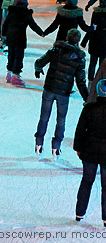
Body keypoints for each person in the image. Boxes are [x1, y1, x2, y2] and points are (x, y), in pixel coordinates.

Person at [34, 28, 89, 159]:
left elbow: (39, 62)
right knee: (61, 120)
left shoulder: (55, 50)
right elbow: (80, 82)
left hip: (49, 89)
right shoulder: (79, 59)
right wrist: (87, 98)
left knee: (44, 117)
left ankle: (39, 144)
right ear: (78, 41)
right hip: (63, 93)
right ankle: (56, 147)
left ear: (67, 37)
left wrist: (38, 69)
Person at [73, 79, 106, 226]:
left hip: (89, 151)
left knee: (87, 181)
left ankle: (79, 213)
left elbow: (80, 129)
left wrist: (78, 148)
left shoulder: (89, 108)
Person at [2, 0, 44, 87]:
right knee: (18, 56)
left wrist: (4, 34)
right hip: (20, 37)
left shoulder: (12, 11)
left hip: (10, 36)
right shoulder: (26, 13)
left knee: (11, 54)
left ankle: (9, 73)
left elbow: (6, 23)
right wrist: (41, 32)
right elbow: (33, 25)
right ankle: (16, 75)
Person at [82, 0, 106, 84]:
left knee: (93, 62)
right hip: (104, 43)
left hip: (95, 41)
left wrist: (84, 41)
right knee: (102, 63)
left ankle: (90, 81)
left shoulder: (96, 13)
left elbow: (92, 27)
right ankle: (101, 81)